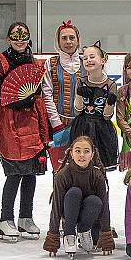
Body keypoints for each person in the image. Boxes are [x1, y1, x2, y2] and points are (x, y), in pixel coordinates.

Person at [0, 22, 50, 242]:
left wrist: (31, 98)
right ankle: (6, 219)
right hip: (10, 121)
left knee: (31, 172)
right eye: (15, 36)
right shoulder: (1, 62)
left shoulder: (34, 62)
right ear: (8, 39)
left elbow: (40, 90)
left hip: (32, 120)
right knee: (14, 172)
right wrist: (15, 100)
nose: (19, 40)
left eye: (23, 36)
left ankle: (26, 216)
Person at [43, 136, 115, 258]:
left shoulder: (97, 176)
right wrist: (53, 236)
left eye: (86, 151)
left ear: (92, 154)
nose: (82, 155)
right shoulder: (63, 175)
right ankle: (69, 234)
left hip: (89, 216)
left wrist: (106, 234)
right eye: (78, 151)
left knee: (95, 201)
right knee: (74, 192)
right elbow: (56, 206)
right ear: (71, 153)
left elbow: (104, 206)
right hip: (69, 212)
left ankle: (84, 230)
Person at [69, 41, 118, 171]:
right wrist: (79, 95)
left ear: (102, 60)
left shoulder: (111, 85)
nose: (88, 60)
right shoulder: (81, 81)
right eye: (85, 58)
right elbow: (77, 111)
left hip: (102, 128)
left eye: (92, 57)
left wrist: (110, 102)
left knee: (100, 167)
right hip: (82, 126)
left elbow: (107, 116)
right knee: (80, 165)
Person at [41, 19, 82, 169]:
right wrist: (56, 123)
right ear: (58, 41)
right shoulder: (51, 63)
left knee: (82, 167)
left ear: (78, 40)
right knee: (60, 169)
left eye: (72, 37)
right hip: (59, 125)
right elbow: (47, 93)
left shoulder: (86, 62)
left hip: (82, 125)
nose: (68, 41)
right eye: (64, 38)